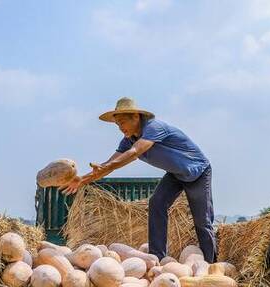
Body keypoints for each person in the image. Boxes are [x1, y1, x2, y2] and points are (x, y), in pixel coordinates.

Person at [61, 97, 217, 262]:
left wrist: (108, 166)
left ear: (136, 117)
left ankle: (211, 263)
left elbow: (134, 152)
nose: (120, 128)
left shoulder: (153, 128)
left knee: (202, 219)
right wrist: (82, 180)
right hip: (176, 174)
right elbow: (108, 165)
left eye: (122, 123)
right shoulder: (128, 140)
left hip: (198, 171)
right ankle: (157, 257)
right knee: (156, 203)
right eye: (117, 125)